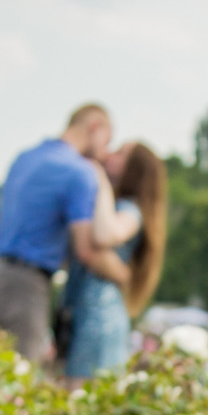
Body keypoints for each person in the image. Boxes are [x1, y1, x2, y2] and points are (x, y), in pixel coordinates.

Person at [0, 104, 130, 363]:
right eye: (107, 140)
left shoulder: (24, 158)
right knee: (20, 377)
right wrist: (126, 275)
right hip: (26, 286)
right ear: (95, 126)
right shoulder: (79, 172)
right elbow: (86, 250)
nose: (105, 153)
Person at [63, 143, 167, 386]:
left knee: (83, 393)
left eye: (120, 154)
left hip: (100, 316)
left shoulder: (130, 210)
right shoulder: (119, 207)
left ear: (134, 170)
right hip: (89, 313)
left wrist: (98, 178)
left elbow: (104, 235)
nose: (110, 155)